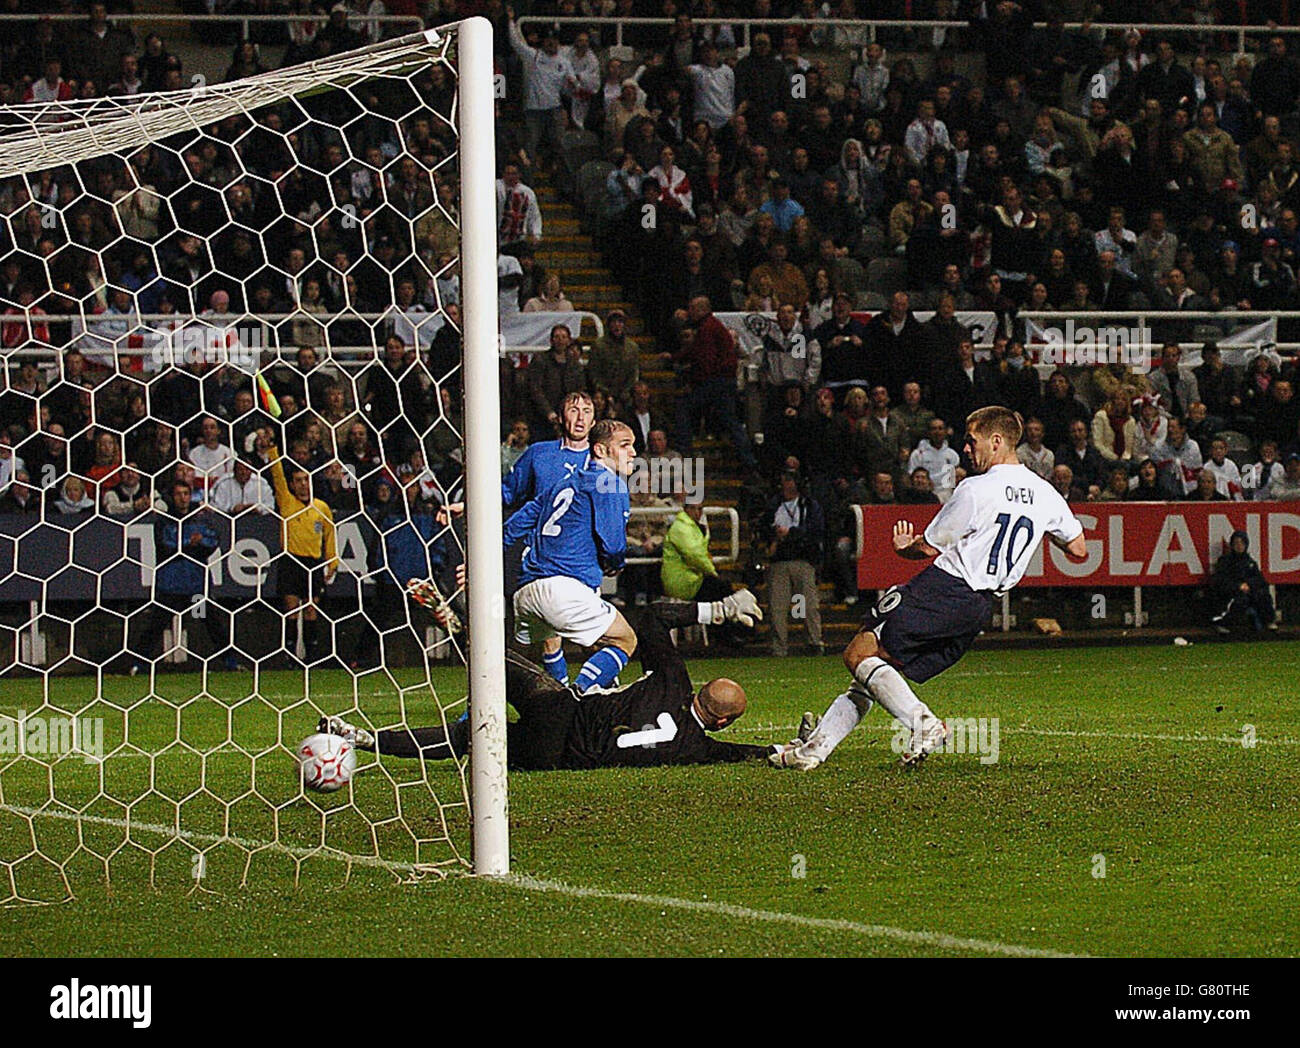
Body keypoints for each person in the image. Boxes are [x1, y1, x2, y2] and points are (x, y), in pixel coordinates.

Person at [772, 406, 1087, 771]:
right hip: (979, 607)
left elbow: (928, 547)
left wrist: (904, 547)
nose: (967, 450)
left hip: (945, 588)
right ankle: (813, 751)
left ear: (997, 440)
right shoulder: (1045, 493)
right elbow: (1078, 549)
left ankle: (924, 725)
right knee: (874, 669)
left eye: (972, 441)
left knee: (858, 654)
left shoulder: (976, 488)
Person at [319, 598, 772, 771]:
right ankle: (363, 738)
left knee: (495, 667)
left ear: (702, 691)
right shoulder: (695, 749)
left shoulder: (673, 682)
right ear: (726, 721)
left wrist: (720, 609)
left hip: (561, 710)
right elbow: (738, 754)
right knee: (465, 741)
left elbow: (653, 616)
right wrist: (780, 752)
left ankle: (459, 632)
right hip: (555, 757)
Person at [503, 419, 641, 693]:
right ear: (600, 451)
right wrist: (615, 565)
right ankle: (575, 700)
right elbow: (613, 546)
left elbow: (514, 525)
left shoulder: (562, 483)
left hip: (527, 590)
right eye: (625, 445)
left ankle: (471, 720)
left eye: (634, 445)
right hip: (564, 588)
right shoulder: (608, 482)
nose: (633, 452)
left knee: (542, 647)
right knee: (624, 640)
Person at [269, 442, 338, 664]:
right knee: (291, 608)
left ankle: (312, 656)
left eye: (305, 480)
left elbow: (330, 535)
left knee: (310, 609)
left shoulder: (321, 508)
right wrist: (273, 451)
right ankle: (289, 655)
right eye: (298, 481)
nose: (302, 485)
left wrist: (332, 561)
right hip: (291, 561)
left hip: (313, 563)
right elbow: (277, 476)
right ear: (292, 484)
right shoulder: (287, 502)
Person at [762, 469, 825, 657]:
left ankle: (814, 641)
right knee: (777, 607)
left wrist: (792, 534)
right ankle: (779, 646)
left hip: (803, 559)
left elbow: (816, 530)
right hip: (780, 559)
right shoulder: (773, 505)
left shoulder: (809, 505)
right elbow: (764, 527)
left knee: (808, 604)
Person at [1209, 531, 1277, 634]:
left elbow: (1260, 579)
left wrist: (1248, 585)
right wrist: (1238, 586)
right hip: (1232, 593)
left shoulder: (1250, 562)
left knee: (1262, 595)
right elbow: (1220, 580)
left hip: (1248, 591)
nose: (1239, 546)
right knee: (1240, 600)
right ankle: (1224, 623)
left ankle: (1268, 621)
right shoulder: (1225, 562)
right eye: (1236, 543)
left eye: (1242, 543)